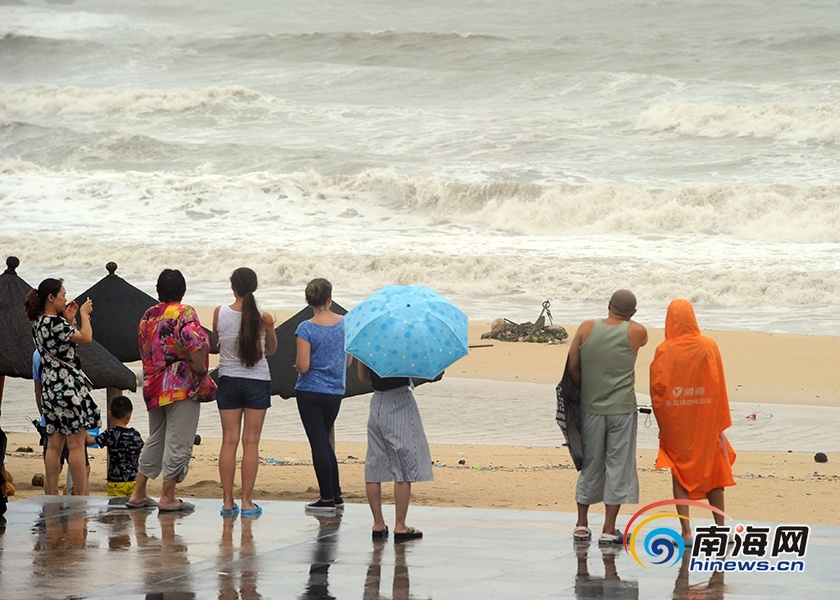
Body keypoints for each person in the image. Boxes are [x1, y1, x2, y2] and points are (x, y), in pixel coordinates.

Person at [127, 269, 215, 512]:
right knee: (178, 440)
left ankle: (139, 493)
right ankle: (167, 496)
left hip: (152, 385)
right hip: (178, 385)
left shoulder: (147, 315)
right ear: (183, 291)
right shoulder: (183, 312)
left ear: (158, 291)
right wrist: (199, 369)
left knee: (157, 437)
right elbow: (195, 342)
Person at [650, 299, 736, 545]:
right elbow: (718, 383)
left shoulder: (664, 350)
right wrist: (719, 420)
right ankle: (720, 528)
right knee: (714, 471)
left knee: (680, 472)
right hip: (706, 418)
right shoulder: (709, 346)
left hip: (677, 421)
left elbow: (658, 389)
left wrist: (663, 422)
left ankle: (686, 532)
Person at [567, 289, 648, 545]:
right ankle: (609, 528)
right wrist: (628, 316)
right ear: (633, 312)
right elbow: (636, 330)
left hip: (590, 407)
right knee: (618, 466)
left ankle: (581, 524)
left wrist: (586, 388)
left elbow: (572, 366)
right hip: (622, 408)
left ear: (608, 305)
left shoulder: (586, 327)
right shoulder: (636, 331)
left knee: (591, 464)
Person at [24, 278, 100, 496]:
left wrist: (68, 320)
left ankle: (51, 494)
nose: (65, 298)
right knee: (76, 444)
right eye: (62, 295)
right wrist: (84, 316)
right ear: (51, 297)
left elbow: (59, 345)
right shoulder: (54, 323)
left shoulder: (39, 323)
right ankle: (81, 494)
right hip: (67, 387)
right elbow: (86, 338)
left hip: (49, 386)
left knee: (54, 443)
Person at [213, 267, 277, 517]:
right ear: (255, 287)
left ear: (233, 287)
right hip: (257, 381)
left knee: (229, 441)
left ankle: (228, 502)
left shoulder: (220, 312)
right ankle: (247, 501)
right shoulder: (265, 317)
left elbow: (218, 344)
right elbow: (271, 349)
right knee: (251, 443)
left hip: (228, 379)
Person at [358, 362, 432, 542]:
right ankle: (400, 525)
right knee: (404, 463)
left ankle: (378, 523)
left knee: (374, 463)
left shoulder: (368, 340)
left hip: (377, 401)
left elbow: (363, 377)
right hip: (399, 399)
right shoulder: (404, 345)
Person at [294, 278, 347, 512]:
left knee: (318, 443)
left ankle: (326, 497)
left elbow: (303, 366)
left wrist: (295, 367)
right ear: (330, 298)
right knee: (324, 441)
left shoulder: (306, 328)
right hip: (335, 390)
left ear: (309, 301)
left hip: (310, 391)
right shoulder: (345, 324)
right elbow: (348, 361)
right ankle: (335, 493)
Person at [33, 349, 91, 494]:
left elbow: (38, 389)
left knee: (53, 462)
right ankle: (80, 501)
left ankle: (51, 502)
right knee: (79, 457)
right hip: (71, 414)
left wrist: (43, 414)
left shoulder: (37, 353)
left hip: (49, 414)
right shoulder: (68, 347)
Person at [89, 395, 144, 498]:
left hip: (116, 481)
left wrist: (82, 430)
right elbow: (141, 456)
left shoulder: (110, 433)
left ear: (110, 414)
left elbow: (90, 441)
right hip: (133, 480)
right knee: (132, 509)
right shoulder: (136, 435)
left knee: (116, 508)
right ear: (129, 415)